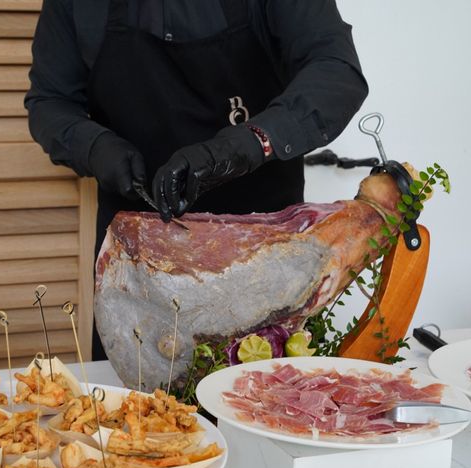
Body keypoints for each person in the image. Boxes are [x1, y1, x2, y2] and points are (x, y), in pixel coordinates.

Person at [26, 0, 368, 359]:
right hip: (138, 258)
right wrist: (93, 146)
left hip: (264, 253)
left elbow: (336, 70)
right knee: (131, 407)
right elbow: (49, 101)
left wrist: (251, 140)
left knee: (261, 398)